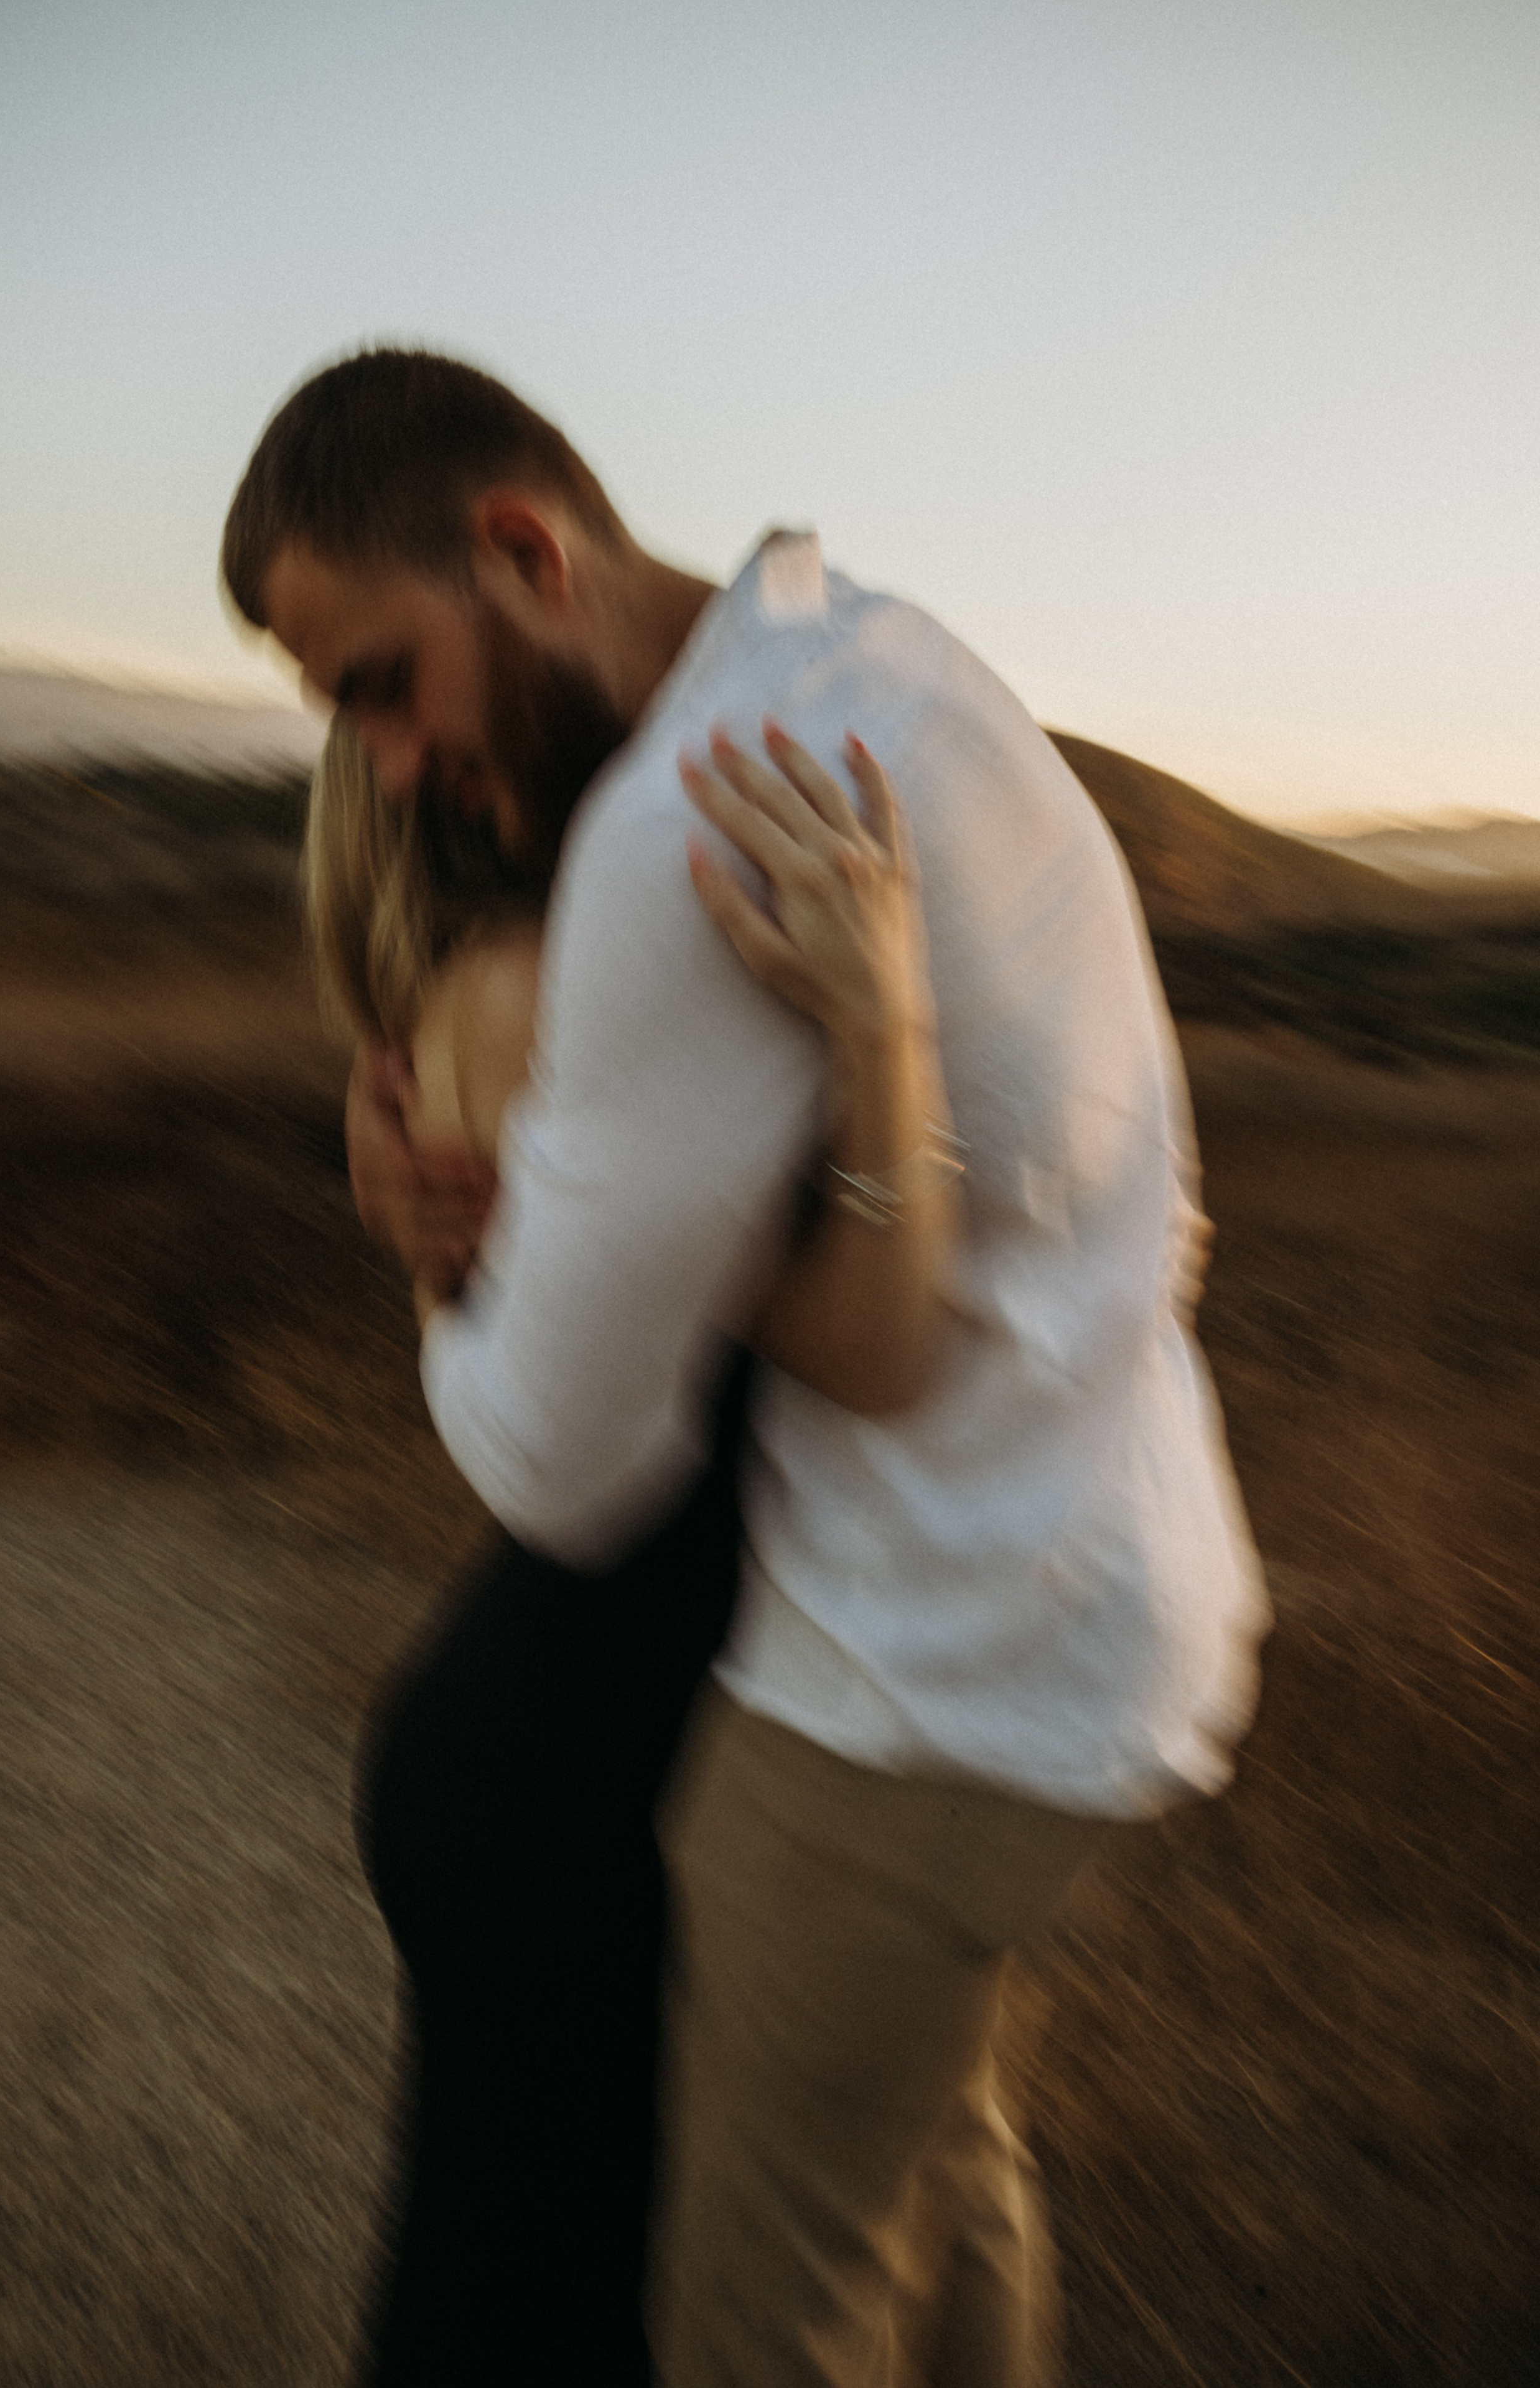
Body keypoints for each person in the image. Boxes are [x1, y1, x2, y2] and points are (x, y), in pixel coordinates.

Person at [223, 347, 1269, 2387]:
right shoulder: (887, 657)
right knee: (945, 2183)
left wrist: (446, 1265)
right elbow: (1039, 1236)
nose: (384, 759)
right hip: (1089, 1607)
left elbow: (556, 1466)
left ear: (523, 546)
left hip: (913, 1675)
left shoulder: (696, 825)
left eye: (378, 683)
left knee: (764, 2316)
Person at [303, 709, 961, 2384]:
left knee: (501, 2270)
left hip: (559, 1726)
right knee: (544, 2299)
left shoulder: (515, 996)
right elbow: (752, 1388)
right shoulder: (537, 988)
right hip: (598, 1758)